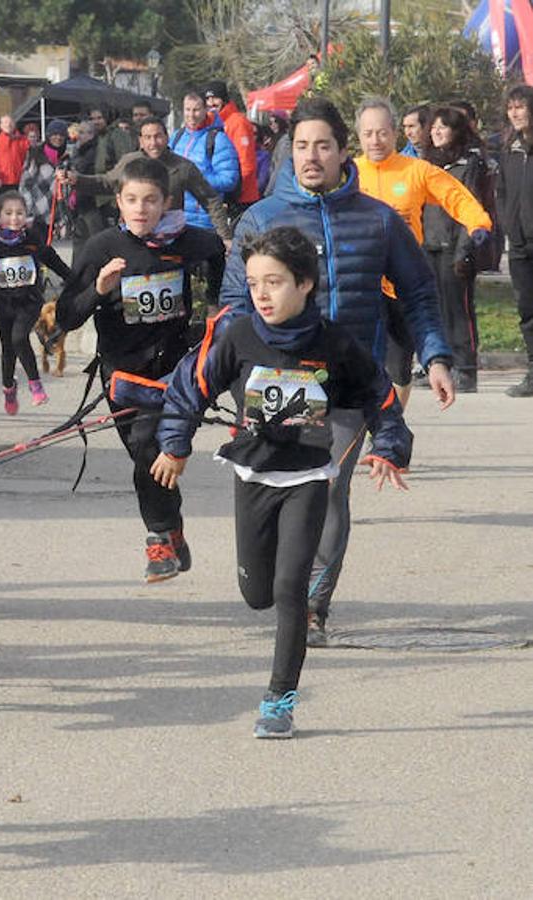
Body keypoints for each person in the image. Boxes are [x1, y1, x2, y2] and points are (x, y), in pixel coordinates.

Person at [153, 226, 413, 739]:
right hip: (253, 474)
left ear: (306, 285)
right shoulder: (238, 336)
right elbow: (191, 388)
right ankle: (273, 611)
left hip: (308, 476)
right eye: (254, 284)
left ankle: (279, 700)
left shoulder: (335, 343)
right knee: (257, 595)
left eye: (274, 282)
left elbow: (379, 395)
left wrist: (389, 447)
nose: (262, 294)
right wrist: (174, 444)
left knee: (291, 588)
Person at [223, 97, 455, 644]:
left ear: (342, 150)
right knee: (269, 491)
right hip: (276, 384)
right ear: (289, 151)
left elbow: (419, 293)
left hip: (349, 384)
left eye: (322, 146)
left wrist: (436, 355)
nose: (311, 156)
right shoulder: (260, 218)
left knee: (326, 491)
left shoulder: (377, 219)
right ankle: (277, 584)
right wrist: (231, 372)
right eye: (301, 146)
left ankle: (310, 607)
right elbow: (234, 303)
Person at [55, 156, 226, 582]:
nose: (141, 209)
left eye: (151, 200)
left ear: (166, 202)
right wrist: (98, 290)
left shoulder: (195, 243)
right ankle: (173, 528)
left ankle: (158, 539)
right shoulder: (102, 248)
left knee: (150, 449)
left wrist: (213, 310)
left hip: (177, 373)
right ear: (119, 201)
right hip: (123, 377)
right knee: (147, 456)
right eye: (132, 200)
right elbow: (66, 317)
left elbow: (224, 272)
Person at [352, 97, 490, 401]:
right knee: (359, 364)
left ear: (395, 133)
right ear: (359, 136)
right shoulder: (348, 174)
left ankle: (389, 431)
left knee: (398, 368)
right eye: (368, 133)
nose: (376, 140)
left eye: (383, 132)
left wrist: (478, 223)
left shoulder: (416, 171)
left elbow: (456, 196)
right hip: (359, 282)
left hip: (402, 281)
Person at [65, 116, 235, 242]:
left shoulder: (183, 166)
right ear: (140, 141)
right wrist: (77, 180)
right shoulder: (129, 161)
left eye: (158, 136)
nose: (153, 142)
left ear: (167, 137)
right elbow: (107, 182)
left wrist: (225, 237)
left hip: (171, 237)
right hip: (134, 235)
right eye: (148, 137)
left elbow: (210, 199)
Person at [423, 105, 493, 391]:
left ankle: (466, 368)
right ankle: (443, 366)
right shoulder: (428, 165)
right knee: (436, 310)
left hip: (455, 246)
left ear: (456, 131)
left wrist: (465, 250)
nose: (436, 132)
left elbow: (472, 208)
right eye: (434, 127)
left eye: (443, 127)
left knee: (459, 310)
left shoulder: (469, 165)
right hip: (430, 244)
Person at [0, 191, 70, 413]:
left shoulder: (32, 239)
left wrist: (73, 280)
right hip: (3, 303)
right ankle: (8, 387)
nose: (14, 218)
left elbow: (53, 260)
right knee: (8, 349)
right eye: (8, 213)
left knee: (19, 337)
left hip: (30, 301)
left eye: (20, 213)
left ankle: (35, 385)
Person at [496, 84, 533, 397]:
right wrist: (509, 223)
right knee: (528, 310)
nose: (515, 113)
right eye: (511, 108)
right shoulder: (510, 148)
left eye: (520, 106)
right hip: (520, 244)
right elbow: (503, 192)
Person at [170, 92, 240, 231]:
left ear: (205, 110)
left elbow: (229, 180)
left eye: (196, 110)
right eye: (187, 109)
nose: (191, 115)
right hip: (175, 219)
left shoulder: (218, 140)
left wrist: (195, 179)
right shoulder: (177, 137)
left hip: (204, 221)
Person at [203, 82, 260, 209]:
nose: (211, 103)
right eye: (208, 99)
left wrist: (234, 193)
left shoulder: (238, 122)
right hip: (221, 194)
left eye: (215, 98)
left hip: (241, 197)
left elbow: (246, 162)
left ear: (224, 99)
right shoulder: (211, 123)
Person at [0, 114, 29, 193]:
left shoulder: (24, 141)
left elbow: (29, 161)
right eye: (5, 122)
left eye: (10, 122)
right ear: (1, 125)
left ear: (14, 124)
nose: (8, 125)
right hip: (1, 183)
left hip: (20, 182)